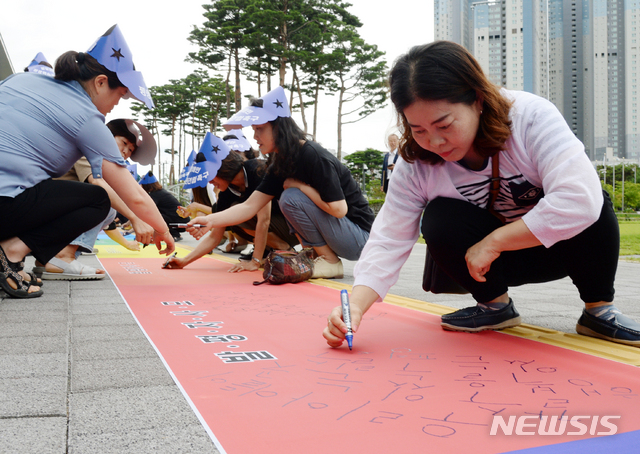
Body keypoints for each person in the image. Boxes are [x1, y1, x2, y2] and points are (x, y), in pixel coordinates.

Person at [324, 40, 640, 349]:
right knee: (440, 218)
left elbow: (579, 200)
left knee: (591, 196)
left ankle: (599, 310)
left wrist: (494, 242)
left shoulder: (530, 118)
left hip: (562, 248)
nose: (434, 141)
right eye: (418, 130)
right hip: (488, 267)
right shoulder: (416, 163)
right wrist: (355, 308)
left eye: (443, 124)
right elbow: (388, 238)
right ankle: (494, 307)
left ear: (477, 99)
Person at [0, 24, 174, 298]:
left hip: (10, 198)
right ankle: (11, 252)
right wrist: (163, 231)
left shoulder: (20, 81)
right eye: (121, 93)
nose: (119, 101)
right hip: (5, 203)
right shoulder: (87, 117)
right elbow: (134, 195)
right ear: (101, 82)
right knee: (98, 200)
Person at [186, 86, 374, 279]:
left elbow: (339, 210)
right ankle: (316, 257)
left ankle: (330, 261)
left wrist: (300, 187)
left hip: (359, 237)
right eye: (254, 130)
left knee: (291, 197)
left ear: (279, 128)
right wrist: (208, 220)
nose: (255, 137)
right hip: (340, 233)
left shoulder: (312, 155)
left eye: (260, 129)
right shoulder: (279, 163)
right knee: (289, 197)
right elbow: (249, 207)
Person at [35, 118, 157, 280]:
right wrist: (134, 219)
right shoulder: (90, 149)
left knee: (106, 203)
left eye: (131, 149)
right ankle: (63, 257)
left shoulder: (104, 160)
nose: (126, 151)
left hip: (47, 208)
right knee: (105, 201)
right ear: (107, 135)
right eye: (124, 142)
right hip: (39, 208)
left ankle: (48, 259)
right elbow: (98, 184)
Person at [166, 133, 298, 272]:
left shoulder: (257, 170)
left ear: (222, 167)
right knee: (229, 214)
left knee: (238, 209)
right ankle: (275, 249)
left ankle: (285, 250)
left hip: (292, 224)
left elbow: (263, 220)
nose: (209, 182)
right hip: (276, 226)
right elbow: (214, 236)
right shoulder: (227, 192)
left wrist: (255, 261)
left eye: (210, 175)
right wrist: (183, 261)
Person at [139, 172, 187, 242]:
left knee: (153, 216)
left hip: (179, 221)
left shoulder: (156, 195)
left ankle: (174, 234)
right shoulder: (159, 192)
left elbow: (146, 209)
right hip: (181, 219)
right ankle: (172, 233)